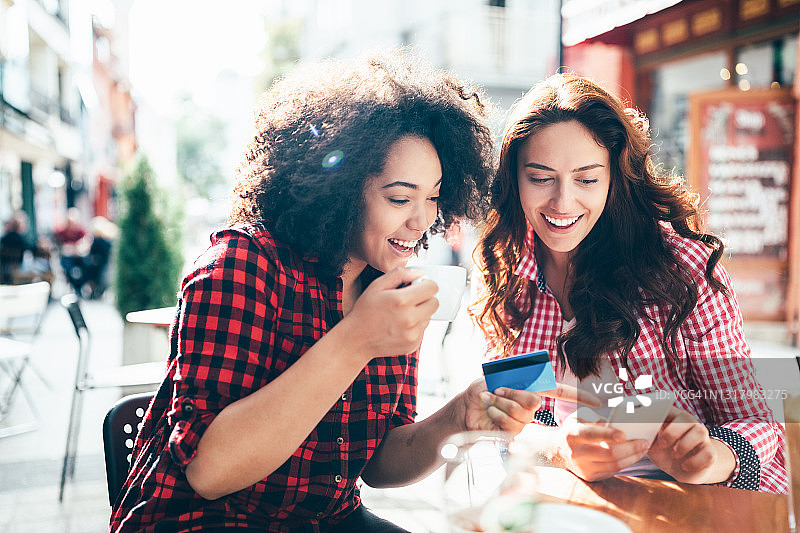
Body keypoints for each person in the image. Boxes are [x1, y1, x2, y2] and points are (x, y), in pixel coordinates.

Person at [109, 52, 592, 533]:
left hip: (326, 521)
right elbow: (210, 473)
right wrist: (359, 338)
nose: (421, 220)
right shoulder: (243, 266)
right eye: (400, 198)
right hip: (204, 520)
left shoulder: (391, 286)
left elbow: (378, 465)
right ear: (336, 188)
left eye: (433, 197)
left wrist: (458, 416)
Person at [471, 73, 786, 494]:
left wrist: (711, 457)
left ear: (615, 179)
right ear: (515, 181)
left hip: (698, 502)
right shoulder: (508, 270)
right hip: (582, 505)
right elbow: (514, 417)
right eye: (541, 177)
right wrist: (560, 448)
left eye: (586, 179)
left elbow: (762, 418)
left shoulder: (680, 269)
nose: (562, 202)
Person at [53, 207, 88, 294]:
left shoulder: (81, 232)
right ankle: (72, 286)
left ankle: (79, 287)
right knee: (67, 266)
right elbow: (57, 245)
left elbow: (85, 243)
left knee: (86, 265)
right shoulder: (61, 232)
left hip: (79, 257)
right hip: (67, 257)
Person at [0, 211, 32, 284]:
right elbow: (31, 249)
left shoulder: (4, 239)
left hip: (4, 271)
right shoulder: (20, 239)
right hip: (18, 270)